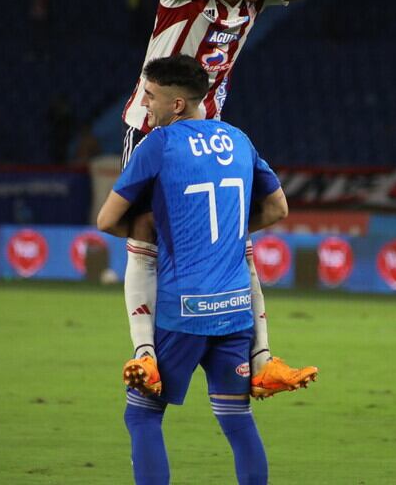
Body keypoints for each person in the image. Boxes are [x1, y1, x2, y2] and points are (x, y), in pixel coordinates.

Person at [118, 0, 396, 390]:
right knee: (145, 234)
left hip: (209, 136)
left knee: (239, 243)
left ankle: (263, 363)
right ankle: (145, 356)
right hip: (153, 129)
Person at [98, 55, 316, 485]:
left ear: (177, 104)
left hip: (184, 310)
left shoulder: (158, 144)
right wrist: (226, 235)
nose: (145, 105)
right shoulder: (239, 138)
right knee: (237, 418)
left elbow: (107, 220)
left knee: (142, 415)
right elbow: (278, 208)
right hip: (235, 308)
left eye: (150, 96)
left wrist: (166, 232)